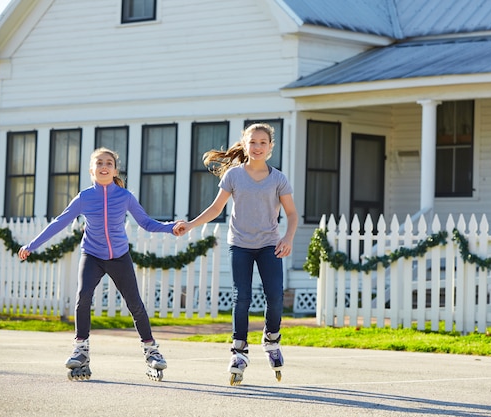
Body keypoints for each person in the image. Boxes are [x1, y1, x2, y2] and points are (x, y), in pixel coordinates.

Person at [18, 147, 177, 381]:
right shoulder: (84, 197)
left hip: (119, 257)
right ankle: (81, 350)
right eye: (99, 163)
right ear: (92, 170)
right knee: (83, 297)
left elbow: (145, 222)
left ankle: (151, 350)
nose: (104, 166)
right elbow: (59, 222)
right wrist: (31, 245)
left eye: (109, 163)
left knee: (135, 303)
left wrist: (171, 227)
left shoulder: (125, 197)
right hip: (92, 255)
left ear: (115, 170)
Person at [173, 123, 298, 385]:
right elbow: (216, 208)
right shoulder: (233, 176)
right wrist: (191, 224)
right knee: (242, 298)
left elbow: (292, 214)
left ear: (270, 147)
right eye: (253, 142)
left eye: (263, 142)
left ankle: (271, 339)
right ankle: (239, 351)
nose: (258, 147)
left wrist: (287, 238)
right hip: (240, 244)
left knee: (275, 295)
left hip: (269, 244)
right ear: (244, 144)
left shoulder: (278, 179)